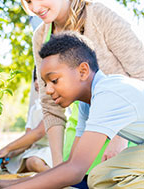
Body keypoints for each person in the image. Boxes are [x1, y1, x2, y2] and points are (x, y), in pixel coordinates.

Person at [0, 31, 144, 189]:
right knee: (99, 177)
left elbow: (75, 170)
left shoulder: (108, 93)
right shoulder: (87, 102)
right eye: (45, 84)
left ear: (83, 71)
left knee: (101, 177)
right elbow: (71, 164)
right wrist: (6, 183)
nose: (49, 90)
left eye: (54, 80)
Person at [21, 0, 144, 169]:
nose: (33, 8)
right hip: (82, 126)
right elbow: (50, 106)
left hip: (124, 131)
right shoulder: (40, 36)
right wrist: (58, 166)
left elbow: (141, 73)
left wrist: (119, 138)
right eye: (28, 1)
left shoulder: (99, 15)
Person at [0, 67, 52, 173]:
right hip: (37, 150)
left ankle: (61, 179)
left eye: (40, 79)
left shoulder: (55, 104)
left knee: (33, 162)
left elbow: (38, 133)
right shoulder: (35, 108)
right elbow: (27, 141)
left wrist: (6, 149)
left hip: (53, 150)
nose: (36, 82)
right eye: (35, 78)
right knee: (13, 165)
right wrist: (8, 154)